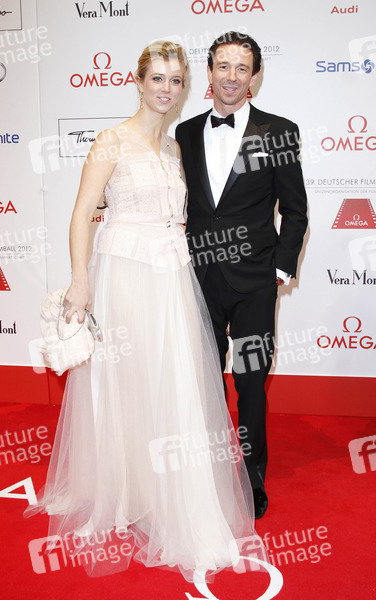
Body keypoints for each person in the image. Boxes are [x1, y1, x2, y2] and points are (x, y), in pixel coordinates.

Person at [25, 40, 270, 583]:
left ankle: (166, 491)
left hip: (172, 277)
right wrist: (80, 279)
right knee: (126, 383)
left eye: (175, 80)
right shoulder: (110, 141)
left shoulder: (177, 149)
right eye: (157, 78)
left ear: (185, 88)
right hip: (122, 275)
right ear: (138, 82)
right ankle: (124, 488)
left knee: (172, 383)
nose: (166, 89)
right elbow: (82, 214)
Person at [176, 32, 308, 519]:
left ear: (255, 75)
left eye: (242, 68)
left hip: (255, 283)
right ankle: (204, 477)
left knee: (250, 383)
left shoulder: (279, 131)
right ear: (209, 72)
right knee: (203, 382)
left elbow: (295, 210)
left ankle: (251, 480)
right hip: (198, 281)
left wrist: (280, 268)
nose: (231, 77)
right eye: (223, 66)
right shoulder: (186, 132)